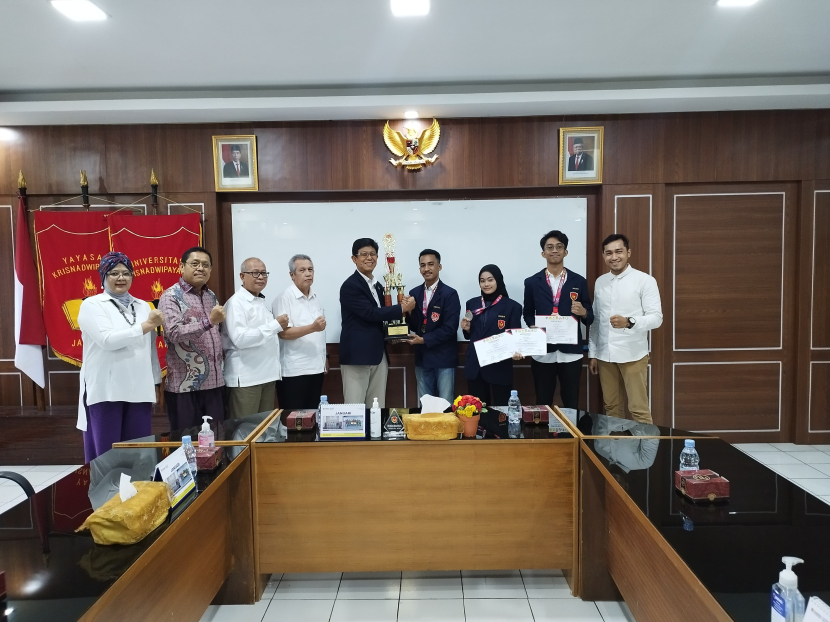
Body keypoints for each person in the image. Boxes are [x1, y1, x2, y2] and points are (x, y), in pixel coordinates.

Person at [76, 252, 162, 462]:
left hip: (139, 389)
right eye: (114, 273)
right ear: (103, 276)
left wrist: (155, 381)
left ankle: (138, 485)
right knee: (107, 457)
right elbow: (107, 340)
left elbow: (150, 348)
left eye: (126, 273)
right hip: (106, 390)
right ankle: (105, 486)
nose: (121, 278)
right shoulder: (92, 305)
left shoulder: (143, 306)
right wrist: (146, 325)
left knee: (139, 454)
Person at [589, 234, 663, 424]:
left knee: (639, 409)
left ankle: (646, 445)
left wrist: (629, 322)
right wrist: (593, 353)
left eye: (619, 252)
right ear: (604, 256)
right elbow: (596, 320)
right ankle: (616, 444)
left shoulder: (645, 280)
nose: (614, 257)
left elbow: (656, 318)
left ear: (628, 253)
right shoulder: (600, 282)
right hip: (605, 355)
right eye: (609, 253)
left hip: (633, 354)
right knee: (611, 408)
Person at [339, 238, 416, 407]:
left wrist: (392, 334)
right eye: (364, 254)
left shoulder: (379, 286)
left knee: (376, 407)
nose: (369, 258)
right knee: (355, 409)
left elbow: (382, 317)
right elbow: (370, 313)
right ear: (354, 259)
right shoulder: (350, 286)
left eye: (373, 254)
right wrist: (401, 308)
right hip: (357, 357)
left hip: (378, 355)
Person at [523, 230, 593, 410]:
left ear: (565, 252)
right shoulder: (532, 282)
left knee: (571, 401)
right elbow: (527, 312)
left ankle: (570, 429)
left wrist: (583, 312)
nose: (554, 250)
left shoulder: (579, 281)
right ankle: (543, 430)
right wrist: (532, 325)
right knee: (543, 400)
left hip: (571, 353)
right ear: (543, 253)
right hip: (543, 351)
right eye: (550, 247)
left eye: (559, 247)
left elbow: (590, 317)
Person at [159, 246, 227, 431]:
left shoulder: (210, 295)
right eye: (195, 263)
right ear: (182, 267)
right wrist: (209, 321)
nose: (200, 268)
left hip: (215, 384)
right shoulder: (170, 296)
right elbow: (173, 333)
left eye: (205, 265)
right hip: (185, 387)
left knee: (216, 439)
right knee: (187, 441)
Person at [222, 258, 288, 419]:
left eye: (264, 273)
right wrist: (275, 325)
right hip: (247, 378)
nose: (261, 277)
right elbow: (240, 339)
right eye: (255, 273)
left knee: (264, 429)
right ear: (242, 276)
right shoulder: (236, 303)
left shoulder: (260, 301)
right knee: (245, 429)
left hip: (267, 376)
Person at [461, 265, 523, 407]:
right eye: (482, 281)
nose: (486, 284)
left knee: (502, 412)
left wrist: (517, 350)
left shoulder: (512, 307)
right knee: (478, 412)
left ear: (498, 280)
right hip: (475, 367)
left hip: (499, 367)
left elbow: (515, 336)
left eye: (490, 280)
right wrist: (467, 329)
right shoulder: (472, 304)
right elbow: (470, 335)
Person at [405, 249, 461, 405]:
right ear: (419, 269)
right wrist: (407, 312)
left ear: (439, 267)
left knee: (445, 404)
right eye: (423, 265)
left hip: (444, 357)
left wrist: (424, 340)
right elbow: (415, 324)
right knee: (425, 404)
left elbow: (450, 328)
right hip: (422, 357)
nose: (426, 269)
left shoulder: (450, 294)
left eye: (431, 264)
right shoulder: (414, 293)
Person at [274, 254, 328, 409]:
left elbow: (320, 332)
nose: (308, 274)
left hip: (316, 367)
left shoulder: (316, 297)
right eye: (302, 270)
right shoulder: (284, 298)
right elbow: (283, 333)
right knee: (294, 417)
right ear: (292, 275)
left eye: (310, 270)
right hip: (294, 370)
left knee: (313, 415)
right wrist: (312, 327)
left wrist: (324, 357)